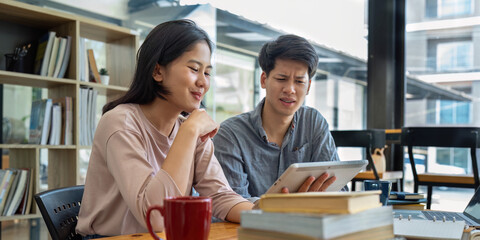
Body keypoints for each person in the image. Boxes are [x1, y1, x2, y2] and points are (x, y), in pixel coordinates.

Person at [76, 20, 253, 238]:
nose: (203, 83)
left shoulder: (189, 128)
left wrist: (272, 216)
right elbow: (156, 217)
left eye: (207, 73)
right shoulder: (120, 122)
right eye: (194, 69)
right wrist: (189, 133)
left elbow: (220, 196)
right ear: (157, 71)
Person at [213, 34, 343, 203]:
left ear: (309, 86)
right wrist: (284, 205)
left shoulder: (313, 122)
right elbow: (231, 204)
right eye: (281, 79)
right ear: (263, 80)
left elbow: (336, 188)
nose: (290, 89)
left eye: (299, 81)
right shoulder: (231, 134)